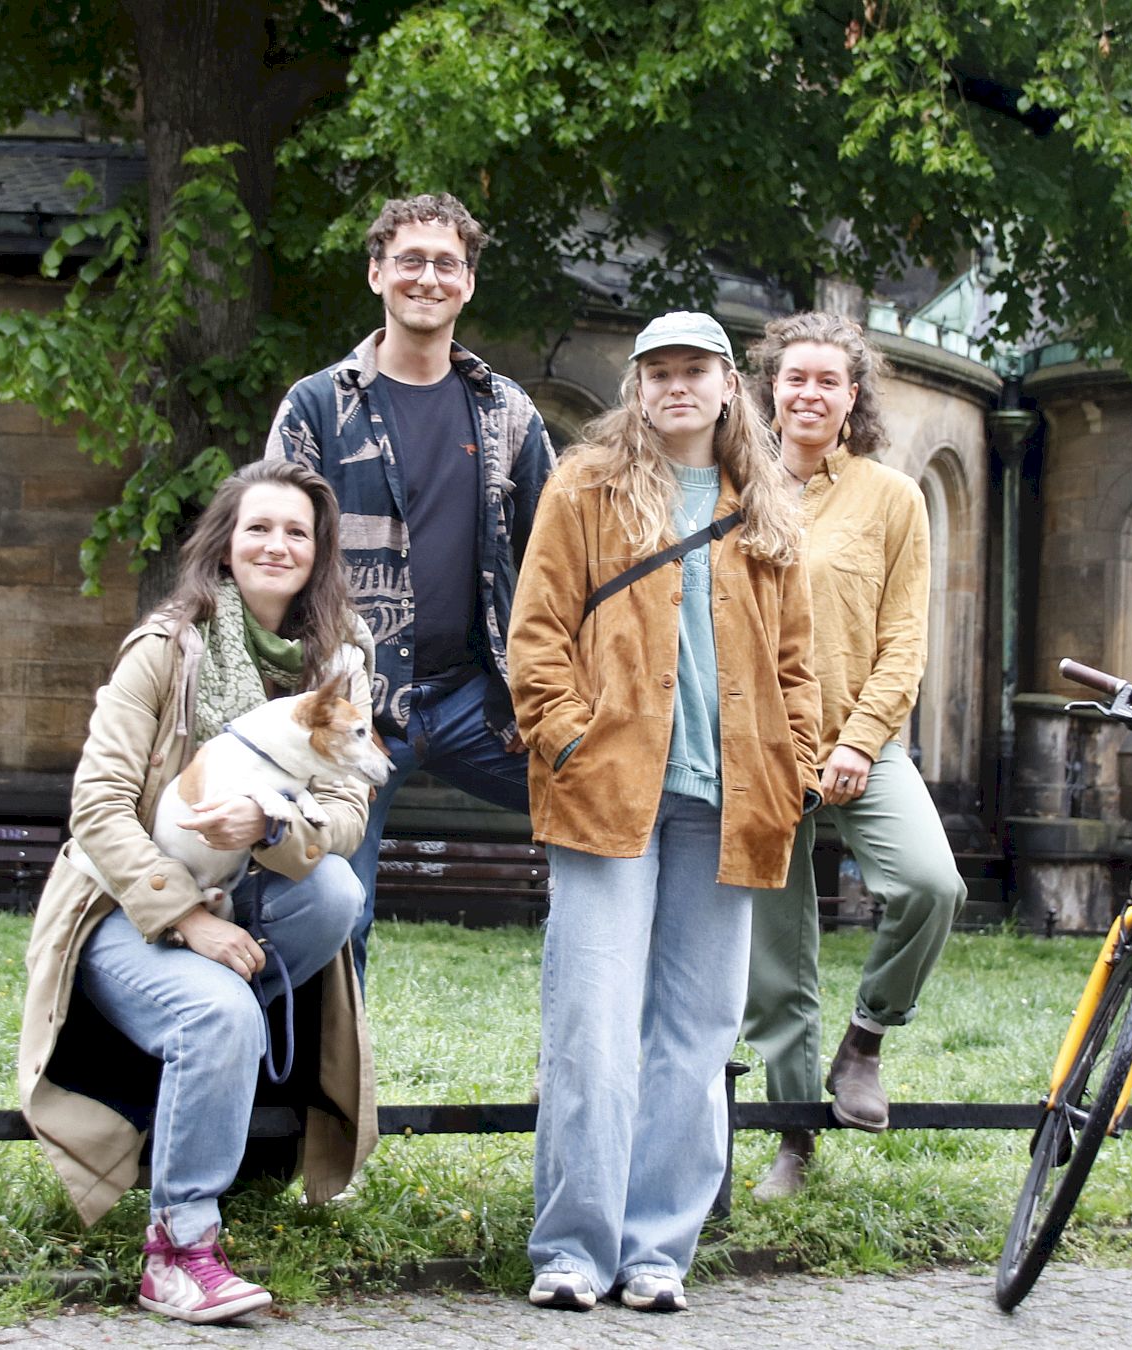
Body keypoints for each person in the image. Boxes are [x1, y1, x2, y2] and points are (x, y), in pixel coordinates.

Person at [507, 311, 821, 1313]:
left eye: (695, 370)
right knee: (591, 1023)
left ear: (731, 384)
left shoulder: (765, 507)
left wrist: (796, 762)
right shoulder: (585, 487)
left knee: (695, 1031)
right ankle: (571, 1248)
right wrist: (566, 744)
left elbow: (798, 665)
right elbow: (537, 635)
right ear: (636, 387)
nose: (676, 387)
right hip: (607, 796)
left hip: (728, 804)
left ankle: (656, 1251)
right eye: (658, 373)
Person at [17, 460, 378, 1326]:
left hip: (245, 899)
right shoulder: (165, 650)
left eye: (297, 531)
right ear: (225, 544)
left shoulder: (338, 667)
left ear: (318, 551)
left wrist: (269, 828)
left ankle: (206, 1055)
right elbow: (97, 807)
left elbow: (347, 818)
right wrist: (181, 915)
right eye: (258, 527)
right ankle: (179, 1250)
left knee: (333, 894)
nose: (276, 545)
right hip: (122, 908)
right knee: (223, 1012)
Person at [265, 192, 556, 980]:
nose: (428, 277)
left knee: (610, 811)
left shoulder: (510, 415)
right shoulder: (318, 406)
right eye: (410, 261)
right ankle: (326, 1098)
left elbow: (557, 562)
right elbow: (273, 553)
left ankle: (584, 1071)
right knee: (336, 910)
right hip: (350, 704)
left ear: (468, 283)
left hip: (477, 701)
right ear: (376, 274)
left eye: (446, 264)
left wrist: (551, 692)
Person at [737, 312, 966, 1199]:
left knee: (930, 886)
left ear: (853, 396)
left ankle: (866, 1040)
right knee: (778, 963)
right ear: (771, 389)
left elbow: (905, 641)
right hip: (760, 758)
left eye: (829, 381)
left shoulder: (891, 498)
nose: (810, 393)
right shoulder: (732, 491)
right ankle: (795, 1140)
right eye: (795, 378)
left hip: (863, 748)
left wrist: (859, 744)